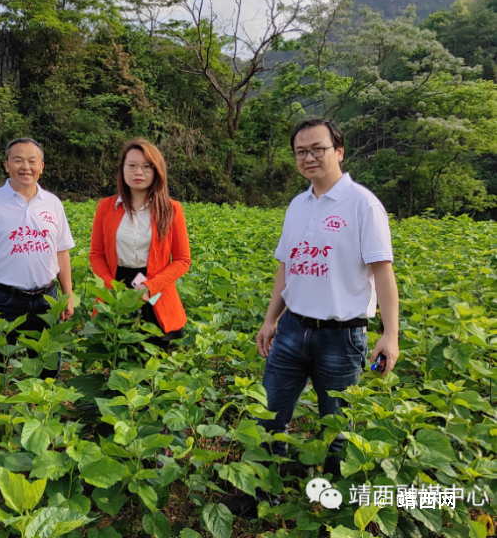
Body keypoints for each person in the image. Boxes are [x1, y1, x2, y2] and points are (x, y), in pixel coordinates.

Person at [225, 119, 400, 517]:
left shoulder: (362, 204)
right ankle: (263, 496)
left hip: (341, 336)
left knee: (336, 429)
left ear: (339, 151)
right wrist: (271, 319)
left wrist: (390, 334)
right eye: (301, 151)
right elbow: (286, 267)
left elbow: (383, 272)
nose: (309, 157)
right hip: (292, 327)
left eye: (317, 149)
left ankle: (329, 507)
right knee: (269, 414)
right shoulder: (297, 205)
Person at [0, 137, 75, 387]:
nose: (25, 167)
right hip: (2, 299)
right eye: (18, 160)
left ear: (42, 167)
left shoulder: (53, 204)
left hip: (46, 299)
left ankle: (43, 415)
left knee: (47, 368)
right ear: (6, 165)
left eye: (32, 161)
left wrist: (67, 294)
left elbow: (62, 252)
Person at [89, 139, 191, 348]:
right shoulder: (106, 207)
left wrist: (149, 287)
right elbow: (96, 255)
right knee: (117, 359)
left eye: (147, 167)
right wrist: (112, 287)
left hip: (155, 289)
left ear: (157, 171)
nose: (139, 172)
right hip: (116, 286)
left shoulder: (172, 210)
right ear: (123, 169)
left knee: (153, 362)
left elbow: (182, 260)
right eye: (132, 165)